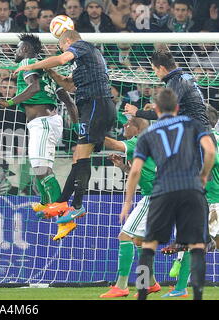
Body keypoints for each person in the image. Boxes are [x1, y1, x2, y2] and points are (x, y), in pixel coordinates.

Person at [121, 88, 215, 300]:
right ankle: (197, 295)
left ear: (156, 109)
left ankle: (143, 292)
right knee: (197, 245)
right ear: (178, 108)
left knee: (148, 245)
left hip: (164, 190)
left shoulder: (149, 135)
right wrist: (203, 175)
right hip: (191, 189)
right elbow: (210, 151)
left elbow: (135, 170)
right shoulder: (193, 125)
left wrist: (127, 201)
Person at [14, 30, 115, 223]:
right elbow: (69, 85)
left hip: (96, 104)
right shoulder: (83, 64)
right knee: (79, 156)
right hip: (94, 106)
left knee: (82, 157)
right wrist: (50, 72)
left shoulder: (82, 46)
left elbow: (61, 59)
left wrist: (34, 65)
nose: (64, 52)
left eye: (62, 47)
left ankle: (76, 206)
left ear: (68, 41)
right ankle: (62, 202)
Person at [0, 34, 78, 241]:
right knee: (38, 166)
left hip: (43, 122)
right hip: (48, 122)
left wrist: (9, 102)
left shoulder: (28, 63)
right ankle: (47, 202)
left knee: (41, 168)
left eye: (19, 48)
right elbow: (68, 100)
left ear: (27, 49)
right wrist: (76, 127)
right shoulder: (47, 70)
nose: (16, 51)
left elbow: (35, 88)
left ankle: (66, 218)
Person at [99, 117, 161, 298]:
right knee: (139, 241)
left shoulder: (140, 139)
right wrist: (123, 167)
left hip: (155, 197)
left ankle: (121, 285)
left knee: (125, 235)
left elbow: (116, 145)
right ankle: (149, 283)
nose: (124, 127)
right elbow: (144, 172)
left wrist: (93, 132)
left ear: (137, 127)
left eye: (127, 125)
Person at [124, 50, 211, 132]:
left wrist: (136, 112)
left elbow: (164, 113)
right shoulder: (184, 77)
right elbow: (185, 104)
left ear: (161, 68)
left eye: (154, 69)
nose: (155, 73)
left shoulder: (175, 82)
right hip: (200, 129)